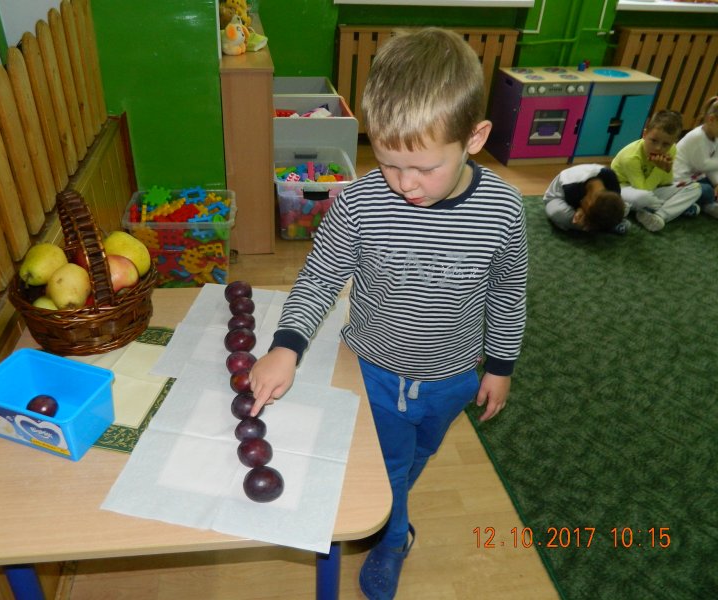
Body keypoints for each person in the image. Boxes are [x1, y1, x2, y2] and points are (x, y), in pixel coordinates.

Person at [248, 28, 528, 600]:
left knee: (416, 456)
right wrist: (285, 345)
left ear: (474, 139)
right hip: (373, 371)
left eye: (423, 167)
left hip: (453, 377)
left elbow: (508, 293)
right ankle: (394, 537)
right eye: (388, 163)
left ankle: (393, 507)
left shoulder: (502, 209)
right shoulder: (359, 201)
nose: (405, 185)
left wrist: (500, 366)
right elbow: (320, 277)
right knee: (389, 465)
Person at [610, 110, 701, 232]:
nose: (658, 148)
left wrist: (666, 169)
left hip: (651, 188)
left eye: (666, 144)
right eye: (654, 141)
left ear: (673, 142)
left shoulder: (672, 150)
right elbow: (643, 190)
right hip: (623, 188)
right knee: (643, 197)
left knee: (695, 188)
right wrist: (659, 168)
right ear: (645, 134)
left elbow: (666, 183)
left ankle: (659, 216)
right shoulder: (630, 158)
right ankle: (674, 206)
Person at [543, 164, 629, 234]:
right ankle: (607, 226)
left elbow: (616, 198)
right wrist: (580, 210)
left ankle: (600, 226)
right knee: (558, 213)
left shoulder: (610, 178)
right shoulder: (571, 188)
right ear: (588, 203)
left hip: (587, 204)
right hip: (559, 197)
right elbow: (576, 207)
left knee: (622, 208)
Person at [673, 95, 718, 218]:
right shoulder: (697, 137)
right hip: (679, 181)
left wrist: (717, 183)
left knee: (709, 188)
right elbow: (703, 165)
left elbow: (712, 168)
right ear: (711, 119)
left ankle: (703, 203)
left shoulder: (715, 137)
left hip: (696, 178)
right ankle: (704, 205)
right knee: (707, 191)